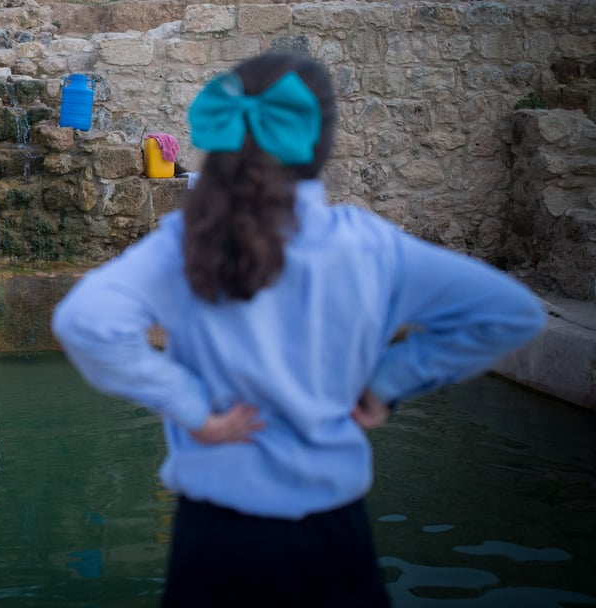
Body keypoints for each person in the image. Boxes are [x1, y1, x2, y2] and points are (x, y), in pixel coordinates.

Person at [50, 52, 545, 607]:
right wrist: (388, 382)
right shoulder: (368, 246)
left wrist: (192, 410)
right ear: (323, 144)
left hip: (215, 541)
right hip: (333, 540)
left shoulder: (184, 243)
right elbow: (511, 313)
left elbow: (84, 321)